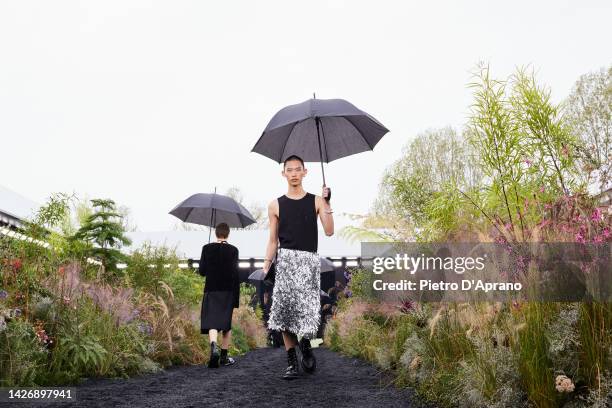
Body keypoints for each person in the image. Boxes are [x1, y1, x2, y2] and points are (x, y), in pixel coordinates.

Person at [263, 154, 334, 380]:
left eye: (298, 169)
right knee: (283, 314)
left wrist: (328, 202)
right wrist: (266, 266)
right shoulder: (275, 204)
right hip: (285, 262)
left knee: (307, 313)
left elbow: (330, 230)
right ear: (283, 173)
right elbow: (273, 240)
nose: (294, 173)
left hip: (308, 262)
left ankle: (306, 344)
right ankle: (292, 361)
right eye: (290, 170)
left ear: (305, 172)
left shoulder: (316, 201)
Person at [198, 222, 240, 368]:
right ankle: (223, 357)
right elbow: (235, 274)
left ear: (216, 233)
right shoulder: (234, 250)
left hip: (211, 290)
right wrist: (236, 299)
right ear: (228, 234)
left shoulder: (206, 248)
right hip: (228, 292)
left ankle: (213, 346)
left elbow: (202, 271)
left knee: (212, 321)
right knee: (225, 324)